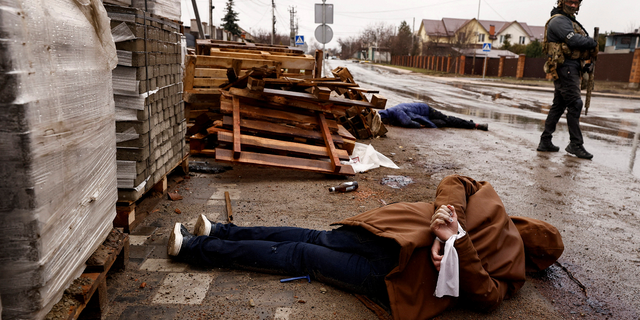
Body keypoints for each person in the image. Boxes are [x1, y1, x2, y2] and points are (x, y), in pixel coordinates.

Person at [168, 175, 564, 319]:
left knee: (309, 240)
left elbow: (456, 182)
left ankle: (213, 234)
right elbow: (487, 298)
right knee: (306, 249)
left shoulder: (498, 218)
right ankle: (197, 245)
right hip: (392, 263)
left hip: (392, 251)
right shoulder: (500, 228)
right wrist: (450, 224)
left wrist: (454, 233)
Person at [537, 0, 598, 159]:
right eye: (570, 2)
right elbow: (573, 40)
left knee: (559, 104)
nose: (573, 6)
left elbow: (575, 45)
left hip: (570, 66)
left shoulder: (569, 20)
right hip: (565, 67)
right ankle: (575, 144)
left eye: (576, 3)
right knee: (575, 103)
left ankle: (545, 141)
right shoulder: (558, 20)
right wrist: (592, 42)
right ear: (561, 2)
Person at [377, 102, 489, 131]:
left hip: (427, 110)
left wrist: (420, 126)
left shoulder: (396, 111)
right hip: (424, 116)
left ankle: (475, 125)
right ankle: (466, 124)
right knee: (443, 123)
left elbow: (407, 122)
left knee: (447, 119)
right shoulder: (392, 114)